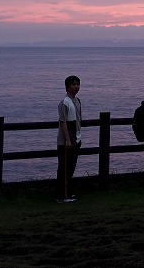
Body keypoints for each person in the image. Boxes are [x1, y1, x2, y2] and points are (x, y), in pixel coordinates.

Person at [55, 75, 82, 203]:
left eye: (77, 84)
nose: (76, 86)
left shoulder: (77, 101)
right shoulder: (65, 102)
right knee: (64, 169)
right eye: (73, 84)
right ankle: (62, 195)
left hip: (75, 138)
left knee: (70, 168)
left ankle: (68, 193)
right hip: (67, 140)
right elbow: (62, 121)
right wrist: (67, 139)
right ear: (67, 87)